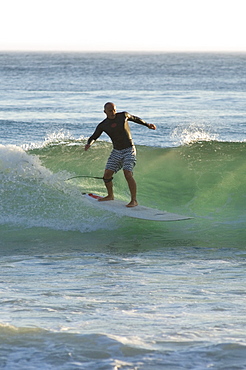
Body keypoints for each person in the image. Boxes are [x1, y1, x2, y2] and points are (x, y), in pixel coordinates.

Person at [85, 102, 156, 207]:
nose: (113, 112)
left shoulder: (123, 116)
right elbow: (94, 136)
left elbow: (135, 118)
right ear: (105, 112)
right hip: (116, 151)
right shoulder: (103, 125)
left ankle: (134, 200)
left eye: (114, 110)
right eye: (110, 111)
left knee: (127, 173)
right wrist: (89, 144)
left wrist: (147, 124)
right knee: (107, 175)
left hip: (129, 149)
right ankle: (110, 195)